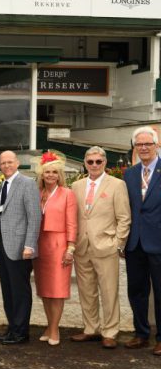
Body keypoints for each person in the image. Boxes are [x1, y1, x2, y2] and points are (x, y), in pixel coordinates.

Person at [71, 146, 130, 349]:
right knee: (86, 291)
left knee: (109, 291)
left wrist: (117, 243)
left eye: (98, 161)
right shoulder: (76, 185)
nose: (94, 165)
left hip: (106, 246)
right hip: (82, 246)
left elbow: (124, 218)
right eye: (90, 161)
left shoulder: (117, 184)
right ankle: (91, 329)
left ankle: (110, 332)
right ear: (85, 163)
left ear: (105, 162)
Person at [0, 150, 42, 345]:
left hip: (21, 247)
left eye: (10, 162)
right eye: (3, 163)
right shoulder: (1, 186)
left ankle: (21, 332)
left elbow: (34, 217)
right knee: (8, 291)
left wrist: (30, 245)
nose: (6, 165)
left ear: (17, 163)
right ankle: (13, 328)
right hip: (3, 246)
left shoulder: (27, 183)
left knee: (20, 291)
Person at [123, 126, 161, 355]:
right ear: (134, 147)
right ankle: (141, 334)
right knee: (136, 290)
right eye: (139, 144)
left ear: (156, 145)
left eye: (148, 143)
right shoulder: (129, 174)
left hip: (158, 242)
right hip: (134, 242)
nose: (144, 148)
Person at [33, 152, 77, 346]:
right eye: (47, 172)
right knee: (44, 290)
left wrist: (71, 248)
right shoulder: (37, 193)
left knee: (58, 290)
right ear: (42, 174)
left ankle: (54, 329)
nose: (50, 175)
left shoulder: (67, 194)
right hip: (40, 245)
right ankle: (51, 326)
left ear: (60, 175)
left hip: (59, 245)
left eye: (54, 172)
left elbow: (72, 223)